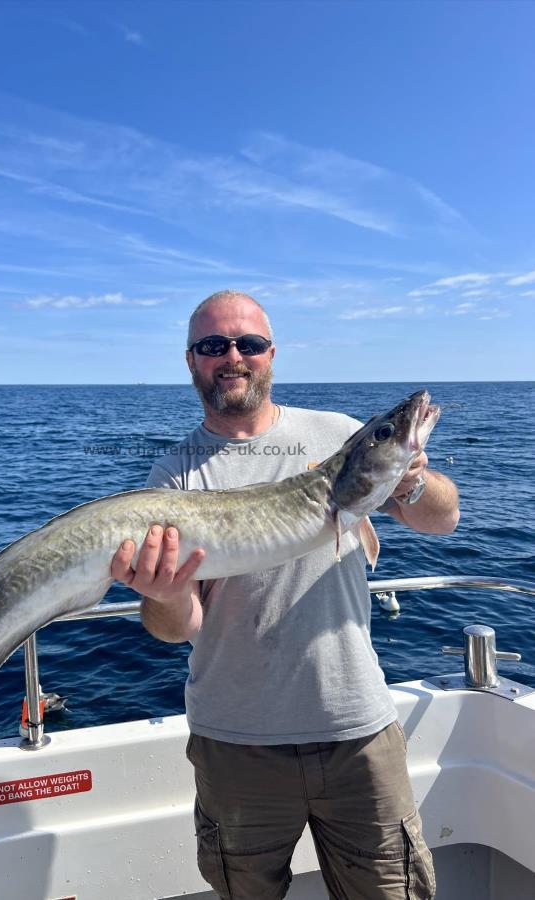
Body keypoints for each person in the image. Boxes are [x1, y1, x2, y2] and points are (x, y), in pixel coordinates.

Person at [111, 290, 459, 900]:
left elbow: (443, 519)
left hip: (357, 730)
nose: (233, 356)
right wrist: (163, 596)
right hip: (236, 745)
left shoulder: (340, 434)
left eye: (248, 343)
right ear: (191, 360)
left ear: (271, 354)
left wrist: (408, 478)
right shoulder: (175, 474)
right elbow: (179, 624)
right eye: (213, 346)